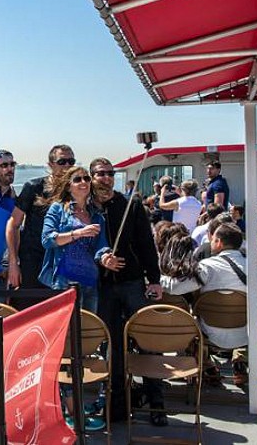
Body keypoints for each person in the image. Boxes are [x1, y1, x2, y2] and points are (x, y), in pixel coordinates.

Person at [88, 158, 165, 426]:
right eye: (100, 174)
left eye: (110, 174)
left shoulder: (130, 204)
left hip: (132, 281)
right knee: (111, 346)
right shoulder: (85, 207)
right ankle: (115, 404)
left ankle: (157, 403)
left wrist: (153, 279)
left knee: (147, 341)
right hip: (103, 286)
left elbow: (146, 243)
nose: (106, 178)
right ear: (91, 177)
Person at [38, 166, 121, 311]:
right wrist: (79, 233)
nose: (84, 182)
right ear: (69, 186)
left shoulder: (96, 214)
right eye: (77, 179)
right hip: (65, 280)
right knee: (67, 328)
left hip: (89, 280)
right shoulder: (57, 209)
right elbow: (47, 240)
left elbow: (100, 246)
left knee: (88, 328)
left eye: (87, 178)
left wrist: (105, 257)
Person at [195, 223, 257, 385]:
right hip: (244, 334)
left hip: (208, 331)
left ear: (219, 242)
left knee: (187, 316)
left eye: (212, 239)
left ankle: (207, 365)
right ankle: (241, 359)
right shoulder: (254, 269)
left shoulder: (205, 267)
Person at [6, 144, 76, 310]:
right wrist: (13, 263)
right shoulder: (33, 187)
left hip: (61, 263)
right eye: (62, 161)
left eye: (71, 161)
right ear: (51, 165)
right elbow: (13, 224)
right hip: (33, 261)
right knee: (29, 312)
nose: (67, 165)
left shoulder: (76, 190)